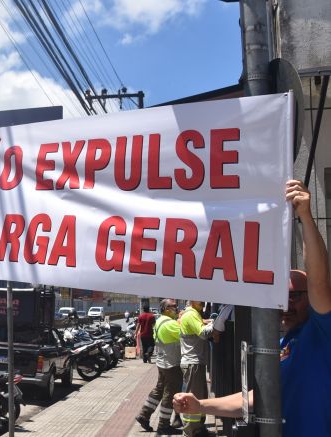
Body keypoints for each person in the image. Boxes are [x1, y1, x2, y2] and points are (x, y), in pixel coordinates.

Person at [174, 179, 331, 437]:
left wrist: (305, 216)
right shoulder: (283, 346)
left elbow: (319, 281)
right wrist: (201, 405)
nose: (287, 304)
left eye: (296, 296)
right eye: (283, 297)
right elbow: (257, 398)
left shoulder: (322, 330)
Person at [135, 298, 184, 434]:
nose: (177, 308)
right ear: (166, 309)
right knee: (169, 394)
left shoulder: (160, 320)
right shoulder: (170, 323)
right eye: (174, 306)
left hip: (162, 362)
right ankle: (163, 425)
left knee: (159, 389)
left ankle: (144, 415)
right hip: (171, 364)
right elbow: (187, 333)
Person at [179, 300, 214, 437]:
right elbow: (203, 333)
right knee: (192, 398)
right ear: (192, 301)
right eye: (200, 300)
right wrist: (217, 324)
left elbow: (200, 324)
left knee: (199, 397)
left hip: (195, 363)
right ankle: (190, 431)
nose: (203, 303)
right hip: (192, 363)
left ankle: (198, 428)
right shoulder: (191, 314)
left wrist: (209, 321)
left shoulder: (192, 313)